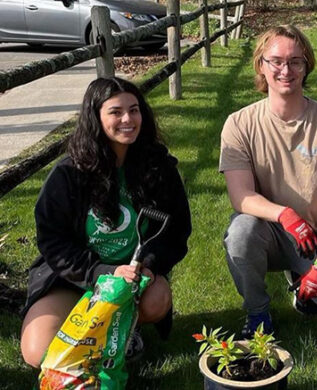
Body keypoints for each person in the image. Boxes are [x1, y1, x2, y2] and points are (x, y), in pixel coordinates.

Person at [20, 77, 192, 368]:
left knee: (156, 300)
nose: (128, 119)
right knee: (38, 352)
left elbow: (176, 231)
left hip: (134, 280)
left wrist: (147, 265)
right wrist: (102, 272)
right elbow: (52, 240)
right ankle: (99, 340)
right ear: (96, 118)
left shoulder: (158, 167)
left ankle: (126, 329)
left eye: (134, 110)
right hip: (74, 279)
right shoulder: (69, 174)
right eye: (115, 112)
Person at [219, 25, 317, 338]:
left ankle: (306, 287)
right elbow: (241, 197)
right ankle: (258, 312)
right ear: (261, 65)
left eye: (295, 62)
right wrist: (285, 215)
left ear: (307, 66)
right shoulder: (239, 124)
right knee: (240, 232)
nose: (285, 70)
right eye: (275, 61)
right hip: (268, 233)